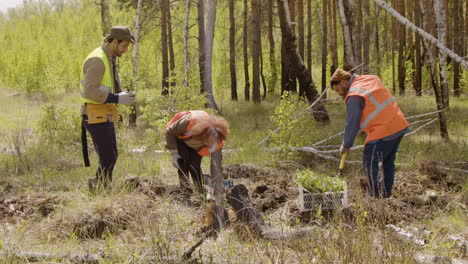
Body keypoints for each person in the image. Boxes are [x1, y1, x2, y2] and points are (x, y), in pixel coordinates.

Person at [330, 68, 409, 198]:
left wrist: (346, 144)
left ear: (344, 82)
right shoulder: (369, 79)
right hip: (398, 124)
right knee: (388, 161)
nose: (339, 93)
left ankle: (375, 196)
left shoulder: (354, 95)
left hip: (383, 129)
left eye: (338, 89)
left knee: (369, 159)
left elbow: (352, 123)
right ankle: (386, 195)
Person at [80, 26, 137, 191]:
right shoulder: (97, 59)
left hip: (103, 113)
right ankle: (99, 190)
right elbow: (90, 91)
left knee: (110, 156)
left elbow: (105, 87)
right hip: (94, 114)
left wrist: (121, 94)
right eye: (124, 46)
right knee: (107, 157)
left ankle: (100, 188)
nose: (125, 50)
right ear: (114, 41)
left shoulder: (108, 58)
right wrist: (117, 98)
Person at [164, 110, 230, 200]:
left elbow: (216, 166)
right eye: (211, 142)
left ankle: (201, 192)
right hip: (181, 137)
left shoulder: (218, 142)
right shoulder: (187, 124)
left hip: (196, 144)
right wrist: (174, 154)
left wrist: (218, 186)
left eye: (215, 142)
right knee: (183, 163)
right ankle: (185, 193)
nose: (212, 145)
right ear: (205, 135)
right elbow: (169, 132)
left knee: (195, 166)